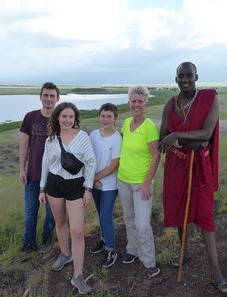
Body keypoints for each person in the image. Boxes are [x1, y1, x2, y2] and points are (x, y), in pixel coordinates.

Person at [158, 62, 227, 296]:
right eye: (181, 76)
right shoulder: (170, 104)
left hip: (200, 167)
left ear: (196, 77)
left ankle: (216, 275)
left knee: (205, 217)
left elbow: (206, 135)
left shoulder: (209, 98)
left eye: (189, 76)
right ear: (175, 79)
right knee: (180, 214)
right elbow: (163, 138)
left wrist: (177, 135)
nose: (185, 80)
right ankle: (183, 252)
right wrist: (182, 140)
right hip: (177, 166)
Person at [39, 102, 96, 295]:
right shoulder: (51, 140)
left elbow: (91, 162)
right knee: (60, 223)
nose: (67, 120)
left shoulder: (83, 137)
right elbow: (45, 163)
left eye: (71, 117)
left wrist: (88, 189)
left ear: (75, 118)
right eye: (64, 116)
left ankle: (78, 276)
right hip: (54, 184)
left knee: (78, 231)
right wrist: (41, 188)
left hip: (75, 186)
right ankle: (65, 254)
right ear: (57, 118)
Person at [117, 86, 161, 278]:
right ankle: (132, 250)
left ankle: (149, 260)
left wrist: (146, 183)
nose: (136, 104)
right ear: (129, 102)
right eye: (133, 101)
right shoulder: (126, 123)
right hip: (123, 180)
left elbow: (156, 156)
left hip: (141, 184)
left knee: (143, 224)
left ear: (145, 103)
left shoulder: (149, 127)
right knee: (129, 219)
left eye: (140, 101)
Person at [19, 82, 59, 254]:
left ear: (58, 98)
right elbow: (24, 144)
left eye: (52, 96)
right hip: (33, 174)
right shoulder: (30, 117)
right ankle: (28, 244)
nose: (49, 99)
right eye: (46, 95)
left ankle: (47, 240)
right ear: (40, 96)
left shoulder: (61, 119)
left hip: (54, 176)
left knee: (52, 214)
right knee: (30, 212)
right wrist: (22, 168)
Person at [89, 103, 122, 268]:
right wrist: (92, 179)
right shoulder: (94, 134)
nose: (105, 119)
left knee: (105, 216)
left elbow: (114, 165)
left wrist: (95, 177)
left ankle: (111, 249)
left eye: (109, 116)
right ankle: (103, 239)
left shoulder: (117, 138)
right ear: (99, 116)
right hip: (95, 183)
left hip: (109, 184)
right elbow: (89, 158)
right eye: (103, 115)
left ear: (115, 118)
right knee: (100, 213)